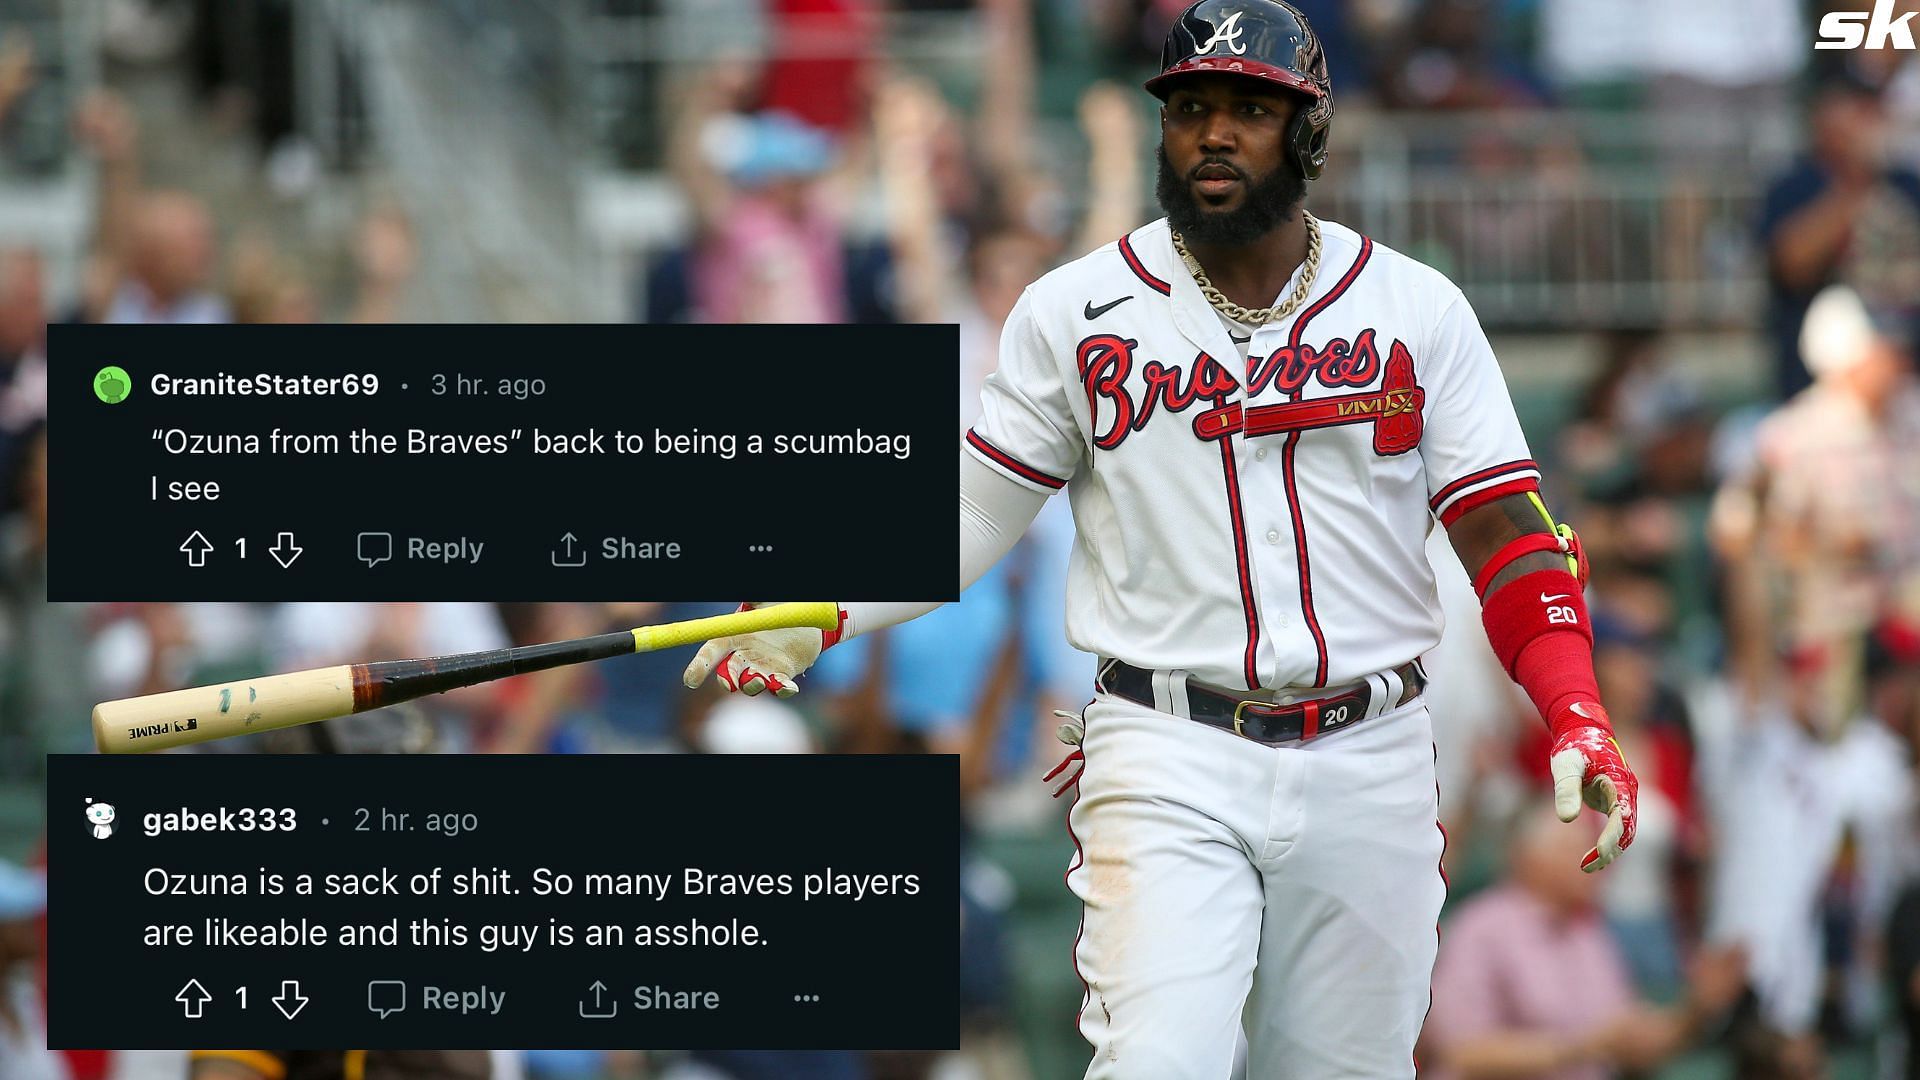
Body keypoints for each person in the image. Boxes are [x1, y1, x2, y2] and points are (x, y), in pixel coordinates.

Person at [683, 3, 1638, 1075]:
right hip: (1169, 742)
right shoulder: (1075, 310)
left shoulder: (1418, 309)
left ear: (1309, 132)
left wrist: (1577, 709)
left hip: (1372, 751)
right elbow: (977, 508)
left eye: (1248, 109)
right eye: (1189, 108)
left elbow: (1506, 532)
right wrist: (829, 608)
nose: (1213, 133)